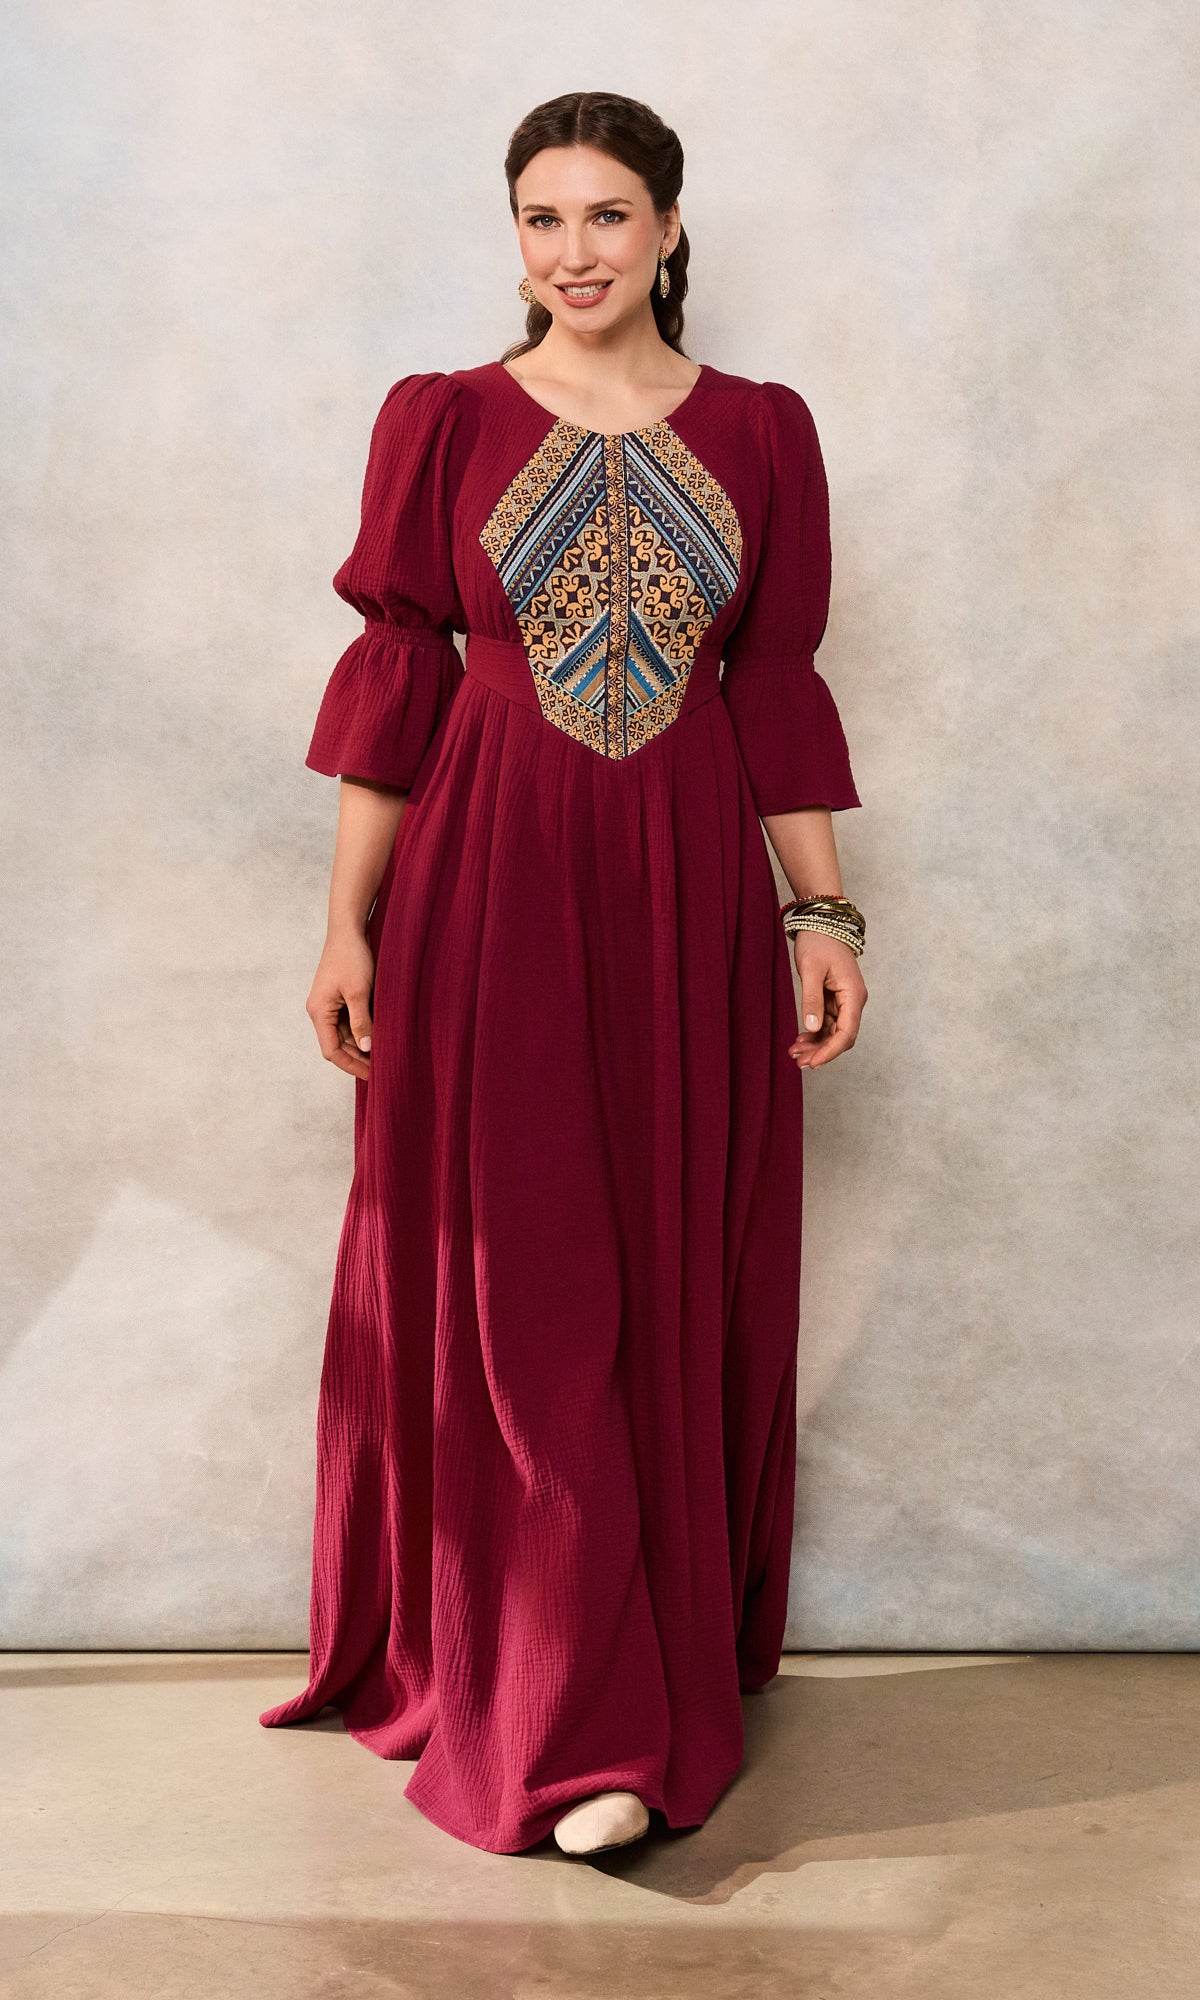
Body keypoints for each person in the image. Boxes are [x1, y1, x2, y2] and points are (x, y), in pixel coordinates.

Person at [260, 88, 868, 1859]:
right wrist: (347, 921)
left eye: (608, 215)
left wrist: (823, 918)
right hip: (487, 886)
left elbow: (773, 685)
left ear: (670, 227)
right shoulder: (443, 418)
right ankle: (570, 1714)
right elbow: (402, 675)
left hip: (689, 898)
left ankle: (627, 1659)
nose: (575, 252)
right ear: (513, 235)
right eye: (543, 218)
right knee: (522, 1280)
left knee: (664, 1264)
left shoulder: (764, 430)